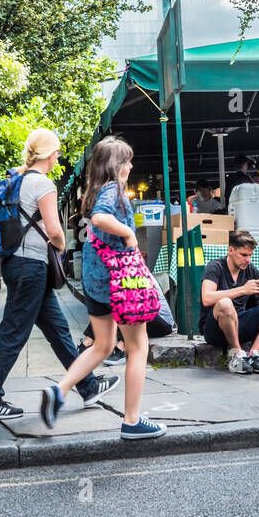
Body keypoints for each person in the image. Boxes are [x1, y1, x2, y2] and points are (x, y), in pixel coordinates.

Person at [0, 128, 118, 420]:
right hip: (30, 266)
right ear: (50, 154)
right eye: (57, 153)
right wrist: (62, 246)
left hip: (20, 264)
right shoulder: (42, 184)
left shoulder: (18, 180)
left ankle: (88, 386)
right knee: (13, 332)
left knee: (58, 329)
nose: (58, 158)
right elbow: (55, 232)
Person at [40, 136, 166, 440]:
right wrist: (129, 234)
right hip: (120, 282)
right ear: (116, 165)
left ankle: (60, 390)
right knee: (138, 348)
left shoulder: (92, 192)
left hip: (97, 283)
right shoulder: (112, 191)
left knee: (103, 346)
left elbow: (94, 218)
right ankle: (132, 421)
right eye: (128, 161)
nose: (131, 166)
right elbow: (101, 218)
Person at [199, 230, 259, 374]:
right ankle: (236, 355)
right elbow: (207, 298)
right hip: (215, 328)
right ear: (230, 250)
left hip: (239, 323)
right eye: (243, 255)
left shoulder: (249, 269)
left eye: (250, 255)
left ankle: (253, 354)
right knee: (225, 303)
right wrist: (243, 289)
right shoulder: (215, 267)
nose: (248, 260)